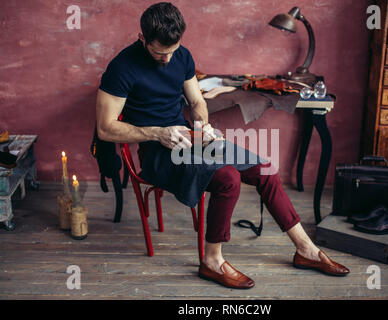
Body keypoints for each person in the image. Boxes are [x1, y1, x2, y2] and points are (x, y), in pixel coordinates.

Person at [96, 2, 349, 289]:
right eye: (159, 52)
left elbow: (196, 102)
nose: (167, 59)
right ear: (142, 39)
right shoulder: (121, 67)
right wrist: (157, 133)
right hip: (155, 152)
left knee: (264, 169)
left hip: (188, 140)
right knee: (228, 178)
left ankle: (306, 249)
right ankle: (212, 261)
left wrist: (202, 126)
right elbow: (105, 128)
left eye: (172, 50)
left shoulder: (183, 57)